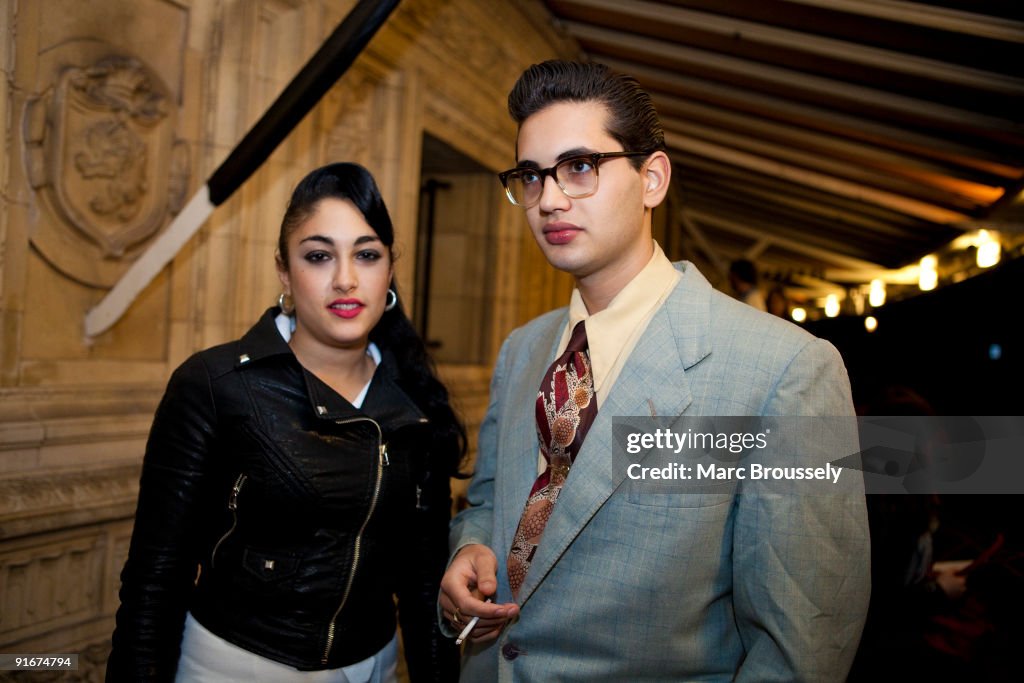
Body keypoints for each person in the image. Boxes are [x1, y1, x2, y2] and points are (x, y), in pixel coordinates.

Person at [438, 60, 870, 681]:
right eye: (530, 176)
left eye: (579, 167)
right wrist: (472, 546)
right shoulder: (525, 349)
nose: (548, 199)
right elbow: (487, 500)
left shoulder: (784, 370)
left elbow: (803, 643)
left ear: (653, 178)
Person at [108, 163, 463, 682]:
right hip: (233, 668)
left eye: (366, 255)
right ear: (284, 271)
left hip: (373, 668)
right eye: (319, 256)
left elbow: (423, 579)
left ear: (389, 269)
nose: (345, 278)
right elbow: (156, 574)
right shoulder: (217, 384)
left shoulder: (415, 402)